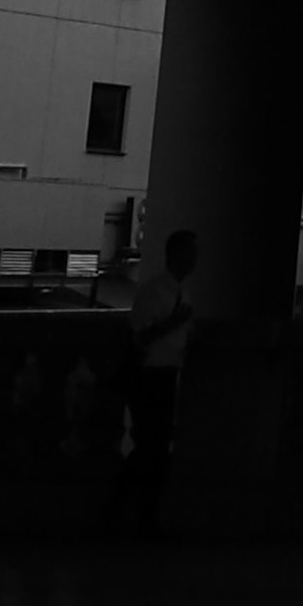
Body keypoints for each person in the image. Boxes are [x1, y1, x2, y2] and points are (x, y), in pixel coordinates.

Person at [113, 225, 198, 533]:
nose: (196, 259)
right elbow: (140, 336)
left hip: (163, 373)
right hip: (152, 376)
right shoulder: (159, 291)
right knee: (153, 447)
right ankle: (134, 511)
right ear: (177, 254)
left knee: (152, 447)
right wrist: (175, 323)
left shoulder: (171, 290)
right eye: (192, 252)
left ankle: (129, 510)